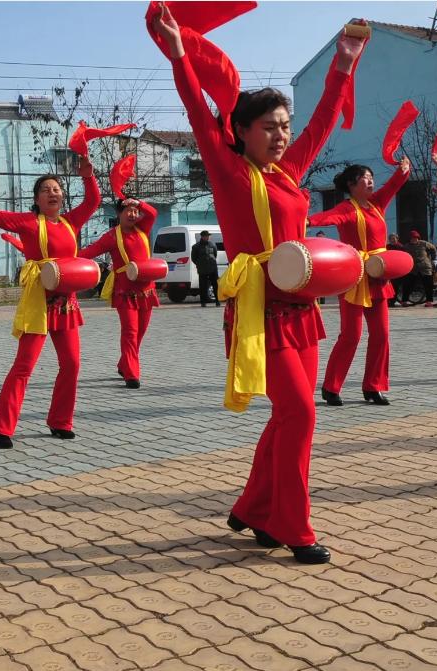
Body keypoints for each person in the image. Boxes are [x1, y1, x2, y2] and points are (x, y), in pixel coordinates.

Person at [153, 6, 367, 565]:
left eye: (283, 126)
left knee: (290, 414)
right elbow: (197, 112)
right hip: (258, 311)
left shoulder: (288, 172)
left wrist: (343, 65)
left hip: (301, 308)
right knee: (300, 413)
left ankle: (252, 507)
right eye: (269, 126)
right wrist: (179, 54)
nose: (281, 135)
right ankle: (292, 524)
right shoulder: (229, 171)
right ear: (242, 131)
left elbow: (320, 124)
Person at [0, 156, 100, 449]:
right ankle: (2, 427)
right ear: (37, 199)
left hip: (66, 304)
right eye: (46, 190)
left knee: (72, 364)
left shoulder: (71, 222)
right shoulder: (28, 223)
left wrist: (88, 177)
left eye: (57, 189)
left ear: (62, 196)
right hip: (39, 304)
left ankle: (60, 421)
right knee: (24, 366)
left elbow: (93, 202)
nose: (53, 193)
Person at [308, 158, 410, 407]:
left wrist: (403, 170)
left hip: (378, 276)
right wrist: (305, 221)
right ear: (352, 185)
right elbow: (326, 218)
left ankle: (374, 386)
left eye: (372, 177)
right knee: (351, 335)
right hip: (354, 277)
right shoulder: (346, 209)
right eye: (365, 178)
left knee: (381, 334)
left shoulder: (377, 204)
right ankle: (331, 386)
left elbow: (394, 185)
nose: (371, 181)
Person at [79, 197, 159, 388]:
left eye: (135, 211)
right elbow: (90, 252)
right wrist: (65, 257)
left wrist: (138, 203)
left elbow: (152, 213)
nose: (132, 214)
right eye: (128, 211)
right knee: (130, 332)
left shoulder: (143, 229)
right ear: (119, 213)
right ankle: (132, 374)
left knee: (140, 333)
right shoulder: (112, 236)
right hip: (125, 292)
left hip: (146, 291)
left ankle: (124, 364)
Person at [402, 231, 437, 306]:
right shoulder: (406, 246)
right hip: (412, 268)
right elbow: (403, 255)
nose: (414, 239)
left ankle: (429, 301)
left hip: (425, 267)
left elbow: (433, 248)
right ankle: (404, 300)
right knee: (408, 284)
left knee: (428, 284)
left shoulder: (424, 243)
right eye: (412, 238)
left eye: (416, 238)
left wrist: (434, 259)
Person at [191, 230, 220, 307]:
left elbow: (215, 255)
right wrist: (200, 264)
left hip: (213, 268)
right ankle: (203, 302)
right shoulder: (196, 246)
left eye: (208, 236)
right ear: (202, 237)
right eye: (206, 236)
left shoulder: (212, 245)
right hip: (202, 269)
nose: (207, 237)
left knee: (215, 285)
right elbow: (193, 258)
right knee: (203, 286)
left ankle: (217, 301)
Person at [385, 233, 404, 306]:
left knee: (395, 285)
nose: (392, 240)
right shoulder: (387, 247)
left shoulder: (401, 247)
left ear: (397, 239)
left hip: (397, 268)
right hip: (389, 268)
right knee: (389, 285)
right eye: (391, 239)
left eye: (394, 238)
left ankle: (393, 301)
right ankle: (389, 300)